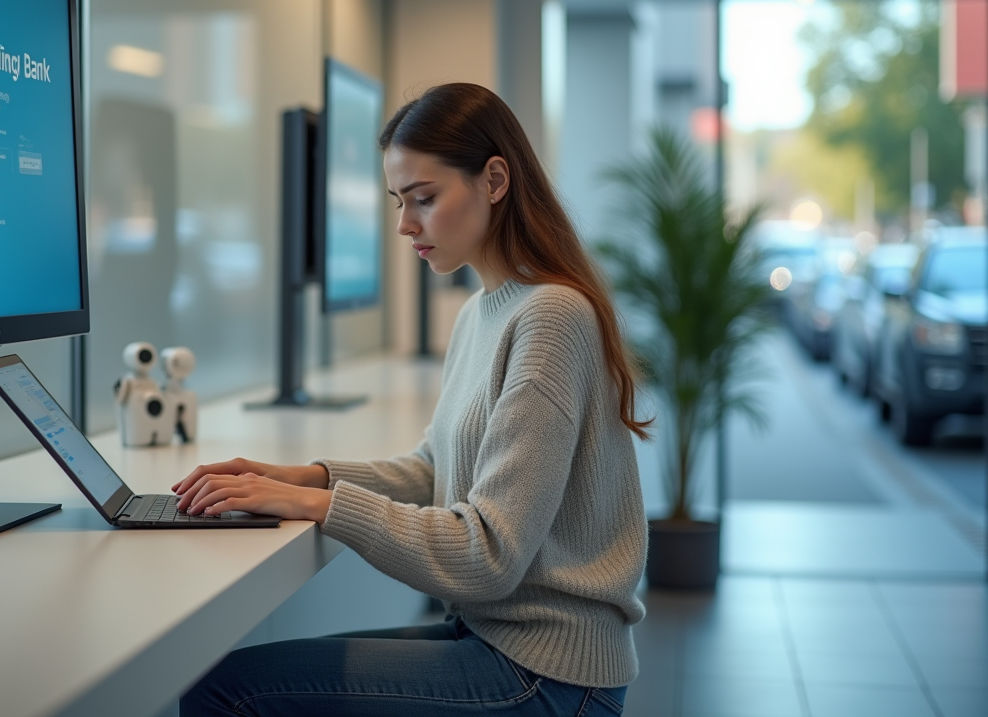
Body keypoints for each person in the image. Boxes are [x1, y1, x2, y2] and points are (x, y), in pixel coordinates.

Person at [174, 83, 651, 717]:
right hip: (495, 639)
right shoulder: (481, 311)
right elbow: (434, 471)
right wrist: (298, 475)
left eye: (424, 199)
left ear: (495, 180)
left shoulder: (551, 318)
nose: (404, 224)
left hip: (550, 674)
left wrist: (316, 504)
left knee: (227, 691)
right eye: (399, 201)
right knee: (232, 679)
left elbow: (489, 558)